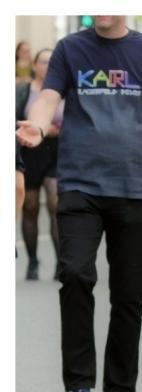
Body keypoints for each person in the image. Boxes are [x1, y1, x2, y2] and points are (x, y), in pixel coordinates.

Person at [16, 15, 142, 392]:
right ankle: (79, 384)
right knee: (74, 274)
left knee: (129, 293)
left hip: (133, 186)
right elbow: (49, 96)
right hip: (79, 183)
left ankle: (121, 391)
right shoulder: (71, 48)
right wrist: (38, 124)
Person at [16, 48, 64, 281]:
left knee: (55, 204)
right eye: (43, 61)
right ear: (35, 65)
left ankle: (60, 262)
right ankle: (33, 261)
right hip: (29, 152)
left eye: (51, 61)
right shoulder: (23, 91)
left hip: (57, 151)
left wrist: (56, 131)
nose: (47, 65)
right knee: (30, 206)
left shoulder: (64, 89)